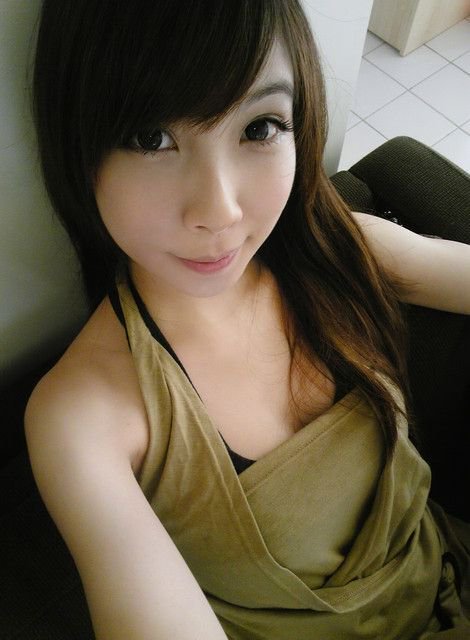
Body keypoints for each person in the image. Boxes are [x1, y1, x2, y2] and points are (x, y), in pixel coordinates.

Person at [25, 1, 470, 638]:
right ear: (78, 149)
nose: (220, 211)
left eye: (259, 127)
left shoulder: (339, 250)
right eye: (151, 139)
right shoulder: (85, 418)